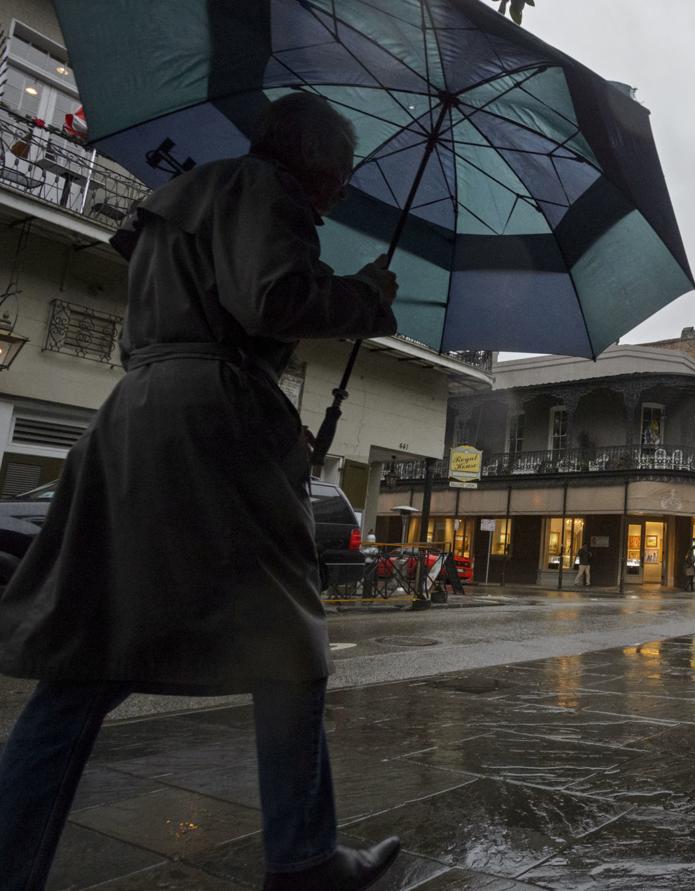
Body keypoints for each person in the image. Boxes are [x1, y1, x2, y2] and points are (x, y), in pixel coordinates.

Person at [0, 93, 402, 891]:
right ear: (312, 162)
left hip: (136, 416)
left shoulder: (184, 201)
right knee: (291, 643)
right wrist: (363, 298)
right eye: (340, 178)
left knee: (87, 658)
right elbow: (273, 298)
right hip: (212, 426)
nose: (339, 195)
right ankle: (304, 857)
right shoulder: (265, 190)